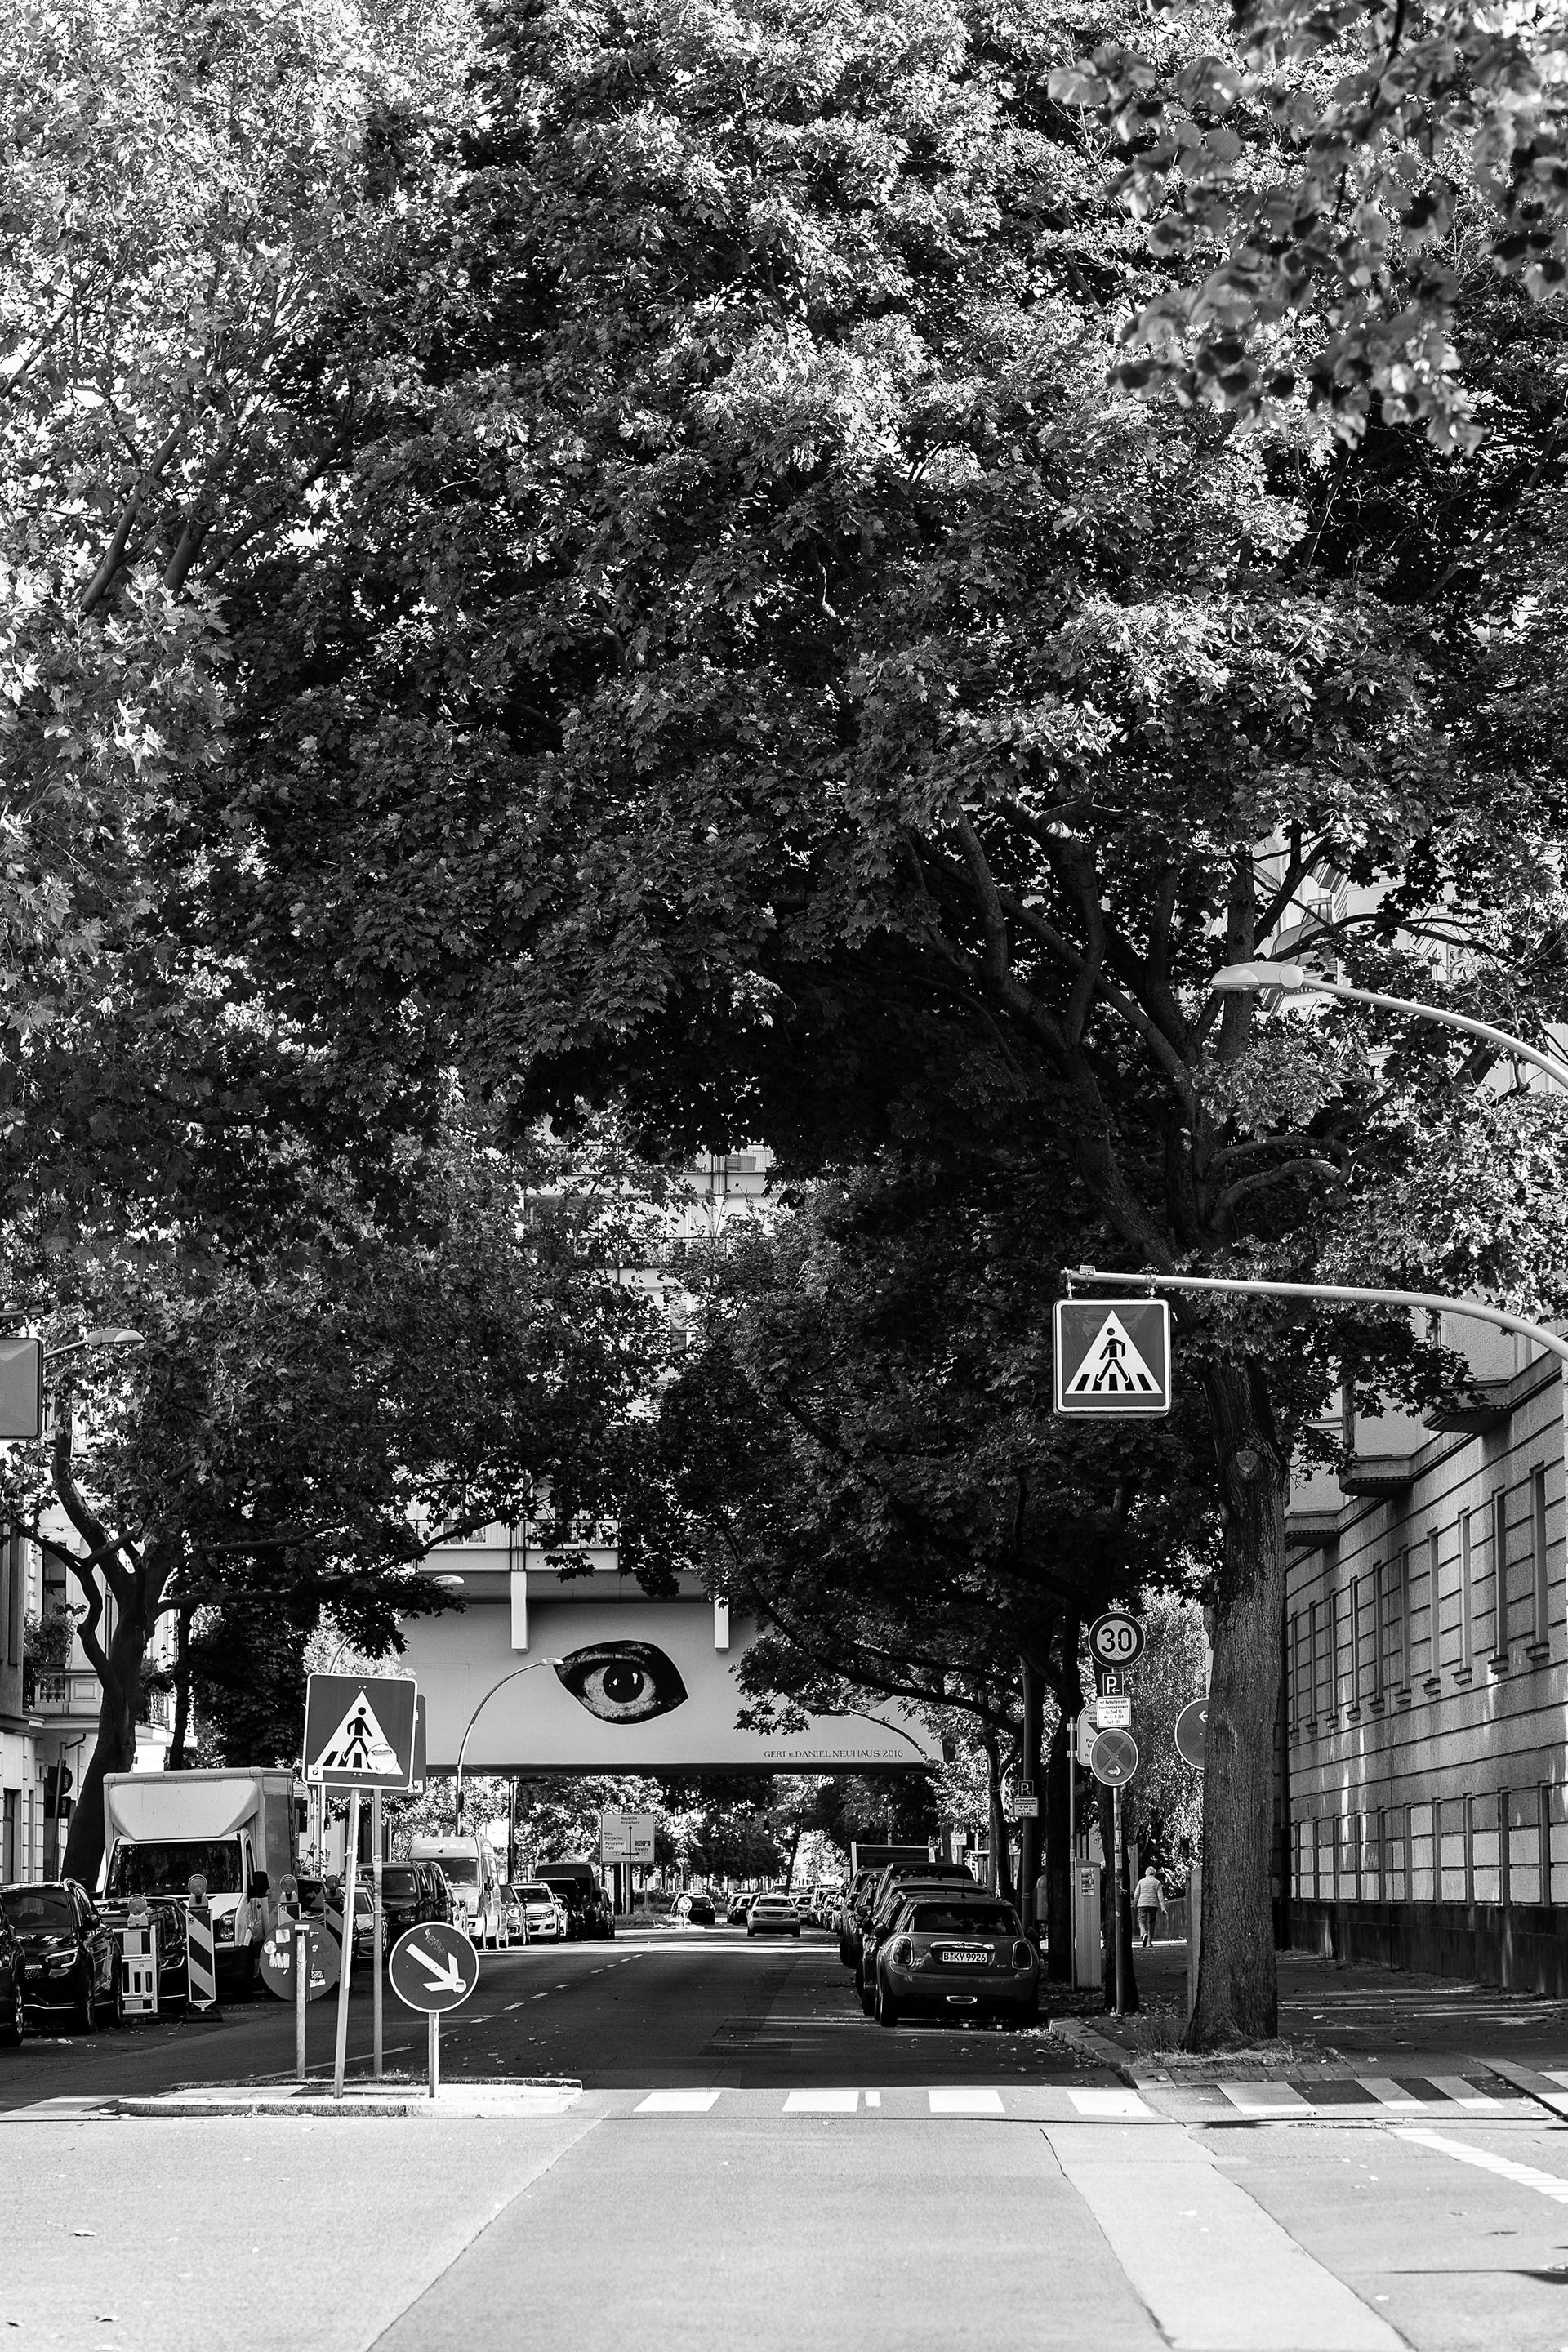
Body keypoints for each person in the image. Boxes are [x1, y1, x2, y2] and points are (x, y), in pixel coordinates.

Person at [1133, 1864, 1165, 1949]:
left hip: (1142, 1904)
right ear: (1154, 1873)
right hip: (1153, 1905)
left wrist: (1134, 1905)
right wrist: (1163, 1908)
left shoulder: (1141, 1881)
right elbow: (1160, 1896)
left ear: (1146, 1873)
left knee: (1141, 1921)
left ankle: (1144, 1933)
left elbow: (1136, 1894)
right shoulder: (1157, 1882)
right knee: (1152, 1922)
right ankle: (1149, 1942)